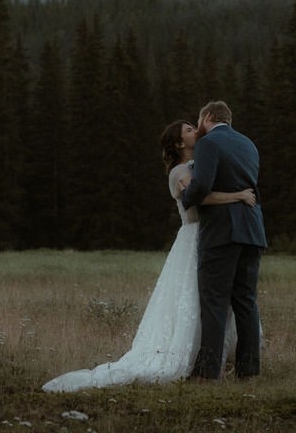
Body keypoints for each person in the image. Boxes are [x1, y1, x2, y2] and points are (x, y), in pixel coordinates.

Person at [42, 120, 255, 392]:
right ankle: (192, 361)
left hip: (214, 238)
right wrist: (238, 195)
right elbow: (201, 198)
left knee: (215, 301)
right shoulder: (179, 172)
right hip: (195, 240)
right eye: (189, 130)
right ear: (179, 144)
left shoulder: (200, 165)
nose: (195, 131)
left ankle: (218, 360)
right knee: (193, 301)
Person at [179, 100, 266, 380]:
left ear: (208, 117)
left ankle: (208, 370)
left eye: (199, 119)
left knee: (214, 301)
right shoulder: (249, 144)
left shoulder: (209, 144)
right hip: (253, 229)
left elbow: (202, 184)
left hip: (222, 231)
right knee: (246, 302)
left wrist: (185, 199)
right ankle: (249, 371)